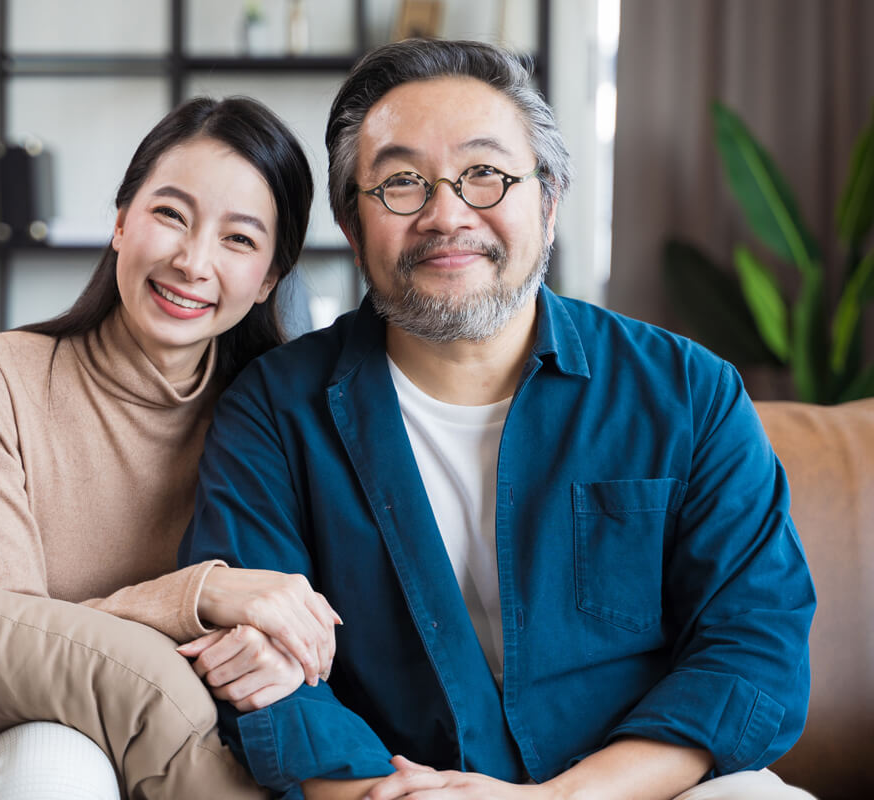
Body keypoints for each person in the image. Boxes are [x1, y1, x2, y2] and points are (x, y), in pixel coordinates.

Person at [179, 39, 818, 800]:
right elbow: (257, 670)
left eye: (485, 174)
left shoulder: (688, 392)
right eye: (403, 182)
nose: (447, 214)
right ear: (353, 228)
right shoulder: (275, 411)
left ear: (547, 204)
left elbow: (752, 646)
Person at [0, 96, 337, 800]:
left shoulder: (282, 417)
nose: (193, 262)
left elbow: (323, 629)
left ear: (271, 277)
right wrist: (204, 594)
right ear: (121, 223)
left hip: (199, 756)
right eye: (169, 215)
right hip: (26, 753)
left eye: (239, 240)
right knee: (56, 757)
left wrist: (281, 658)